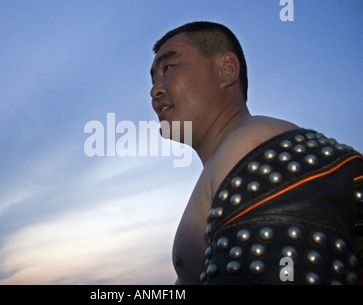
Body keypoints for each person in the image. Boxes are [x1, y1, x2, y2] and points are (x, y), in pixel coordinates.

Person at [150, 21, 363, 285]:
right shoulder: (230, 158)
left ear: (226, 70)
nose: (154, 90)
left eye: (168, 68)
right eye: (153, 78)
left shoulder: (252, 141)